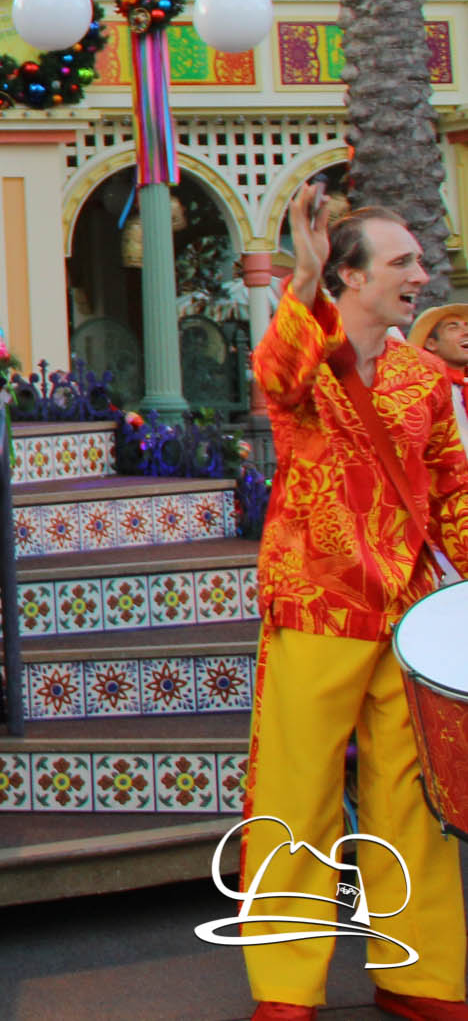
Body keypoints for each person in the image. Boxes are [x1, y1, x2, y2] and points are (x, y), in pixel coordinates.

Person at [245, 186, 468, 1021]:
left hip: (408, 613)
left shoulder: (426, 379)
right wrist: (301, 278)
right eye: (402, 262)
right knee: (298, 794)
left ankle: (421, 975)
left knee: (414, 798)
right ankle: (285, 987)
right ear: (352, 276)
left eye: (419, 260)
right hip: (318, 602)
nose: (420, 274)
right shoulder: (307, 361)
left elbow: (453, 490)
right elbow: (276, 370)